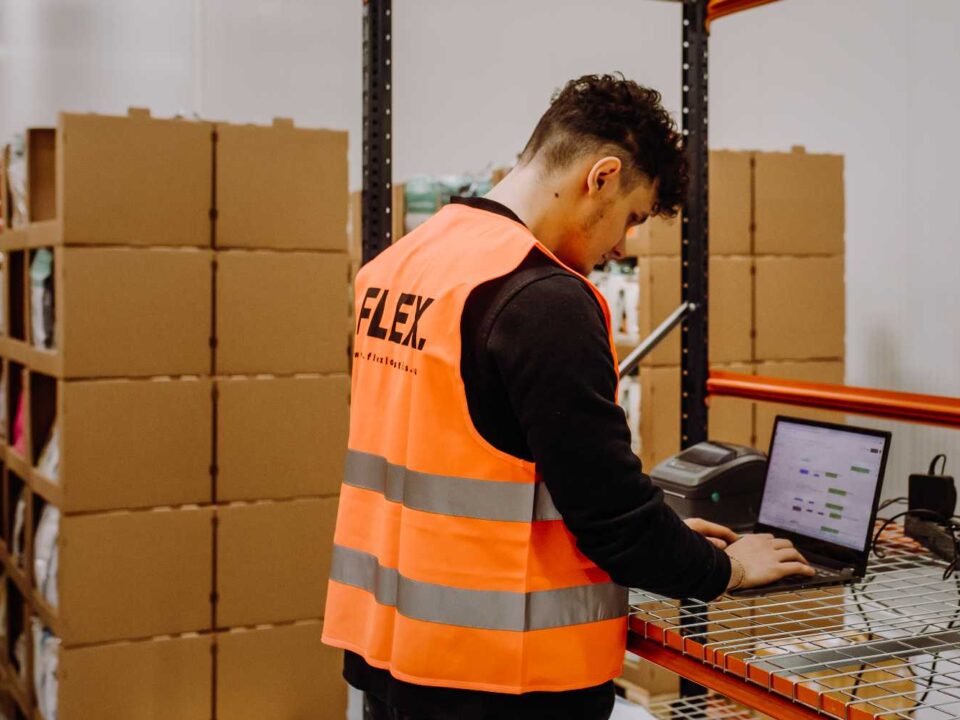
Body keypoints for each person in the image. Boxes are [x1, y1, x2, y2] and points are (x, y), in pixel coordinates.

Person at [322, 73, 814, 720]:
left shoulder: (402, 264)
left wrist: (670, 537)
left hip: (393, 650)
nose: (620, 249)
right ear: (600, 176)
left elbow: (469, 458)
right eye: (631, 218)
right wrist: (730, 570)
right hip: (504, 677)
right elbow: (610, 516)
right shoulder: (542, 300)